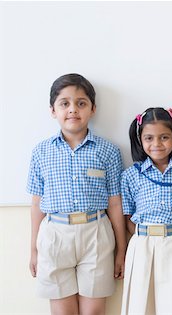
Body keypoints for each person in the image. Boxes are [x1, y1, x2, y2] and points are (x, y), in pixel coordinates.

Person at [27, 73, 127, 314]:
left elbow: (115, 203)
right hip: (54, 235)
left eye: (81, 103)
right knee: (63, 311)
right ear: (53, 110)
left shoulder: (108, 151)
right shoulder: (41, 152)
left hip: (96, 233)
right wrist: (33, 248)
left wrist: (121, 250)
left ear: (93, 109)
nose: (73, 110)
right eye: (65, 103)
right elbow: (36, 203)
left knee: (93, 311)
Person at [120, 107, 172, 314]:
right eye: (149, 138)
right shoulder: (130, 175)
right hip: (143, 245)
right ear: (140, 140)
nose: (156, 144)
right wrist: (146, 237)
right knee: (142, 303)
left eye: (164, 137)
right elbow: (127, 216)